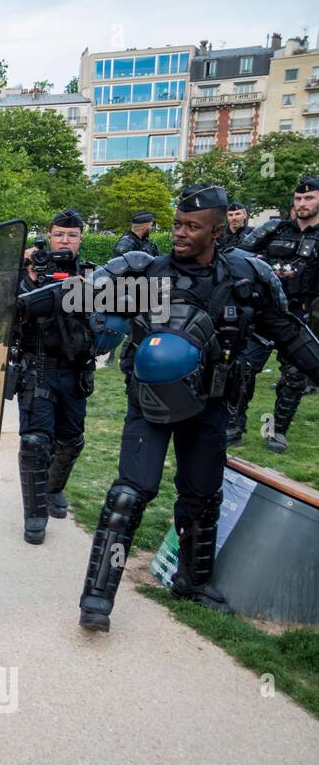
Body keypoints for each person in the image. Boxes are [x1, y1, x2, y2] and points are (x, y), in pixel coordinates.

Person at [78, 185, 319, 631]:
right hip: (149, 404)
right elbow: (82, 305)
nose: (181, 234)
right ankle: (97, 595)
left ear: (217, 228)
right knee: (130, 494)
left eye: (192, 226)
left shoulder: (246, 278)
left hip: (209, 403)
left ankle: (191, 581)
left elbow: (288, 332)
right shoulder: (148, 274)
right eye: (177, 225)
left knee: (202, 496)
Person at [11, 208, 96, 544]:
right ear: (49, 235)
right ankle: (35, 515)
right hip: (38, 367)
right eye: (59, 235)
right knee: (35, 442)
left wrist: (86, 291)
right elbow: (8, 305)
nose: (64, 241)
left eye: (71, 236)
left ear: (80, 239)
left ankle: (53, 487)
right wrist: (27, 272)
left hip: (75, 369)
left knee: (71, 440)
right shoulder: (29, 270)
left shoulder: (89, 275)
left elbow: (112, 310)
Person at [234, 176, 319, 453]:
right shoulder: (274, 229)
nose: (303, 203)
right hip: (264, 314)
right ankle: (235, 426)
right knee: (243, 370)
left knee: (293, 376)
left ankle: (277, 431)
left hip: (301, 318)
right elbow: (236, 256)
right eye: (298, 199)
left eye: (309, 198)